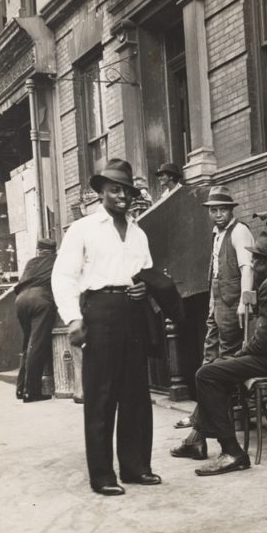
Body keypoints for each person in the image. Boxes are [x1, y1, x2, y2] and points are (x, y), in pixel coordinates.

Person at [51, 158, 162, 496]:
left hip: (132, 313)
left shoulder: (138, 232)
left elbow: (145, 271)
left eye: (126, 190)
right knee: (101, 396)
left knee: (135, 394)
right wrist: (73, 317)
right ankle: (102, 476)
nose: (122, 196)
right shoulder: (84, 229)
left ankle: (135, 467)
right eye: (114, 189)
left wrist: (144, 288)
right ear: (101, 192)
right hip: (99, 311)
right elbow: (63, 276)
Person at [178, 229, 267, 476]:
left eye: (255, 260)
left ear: (266, 263)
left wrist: (236, 355)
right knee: (218, 369)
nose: (252, 264)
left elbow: (261, 342)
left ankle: (231, 452)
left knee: (207, 374)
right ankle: (196, 440)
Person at [170, 185, 255, 450]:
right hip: (216, 305)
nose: (218, 214)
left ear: (231, 210)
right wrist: (210, 305)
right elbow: (215, 272)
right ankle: (199, 432)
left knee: (218, 368)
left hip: (232, 307)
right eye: (213, 210)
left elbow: (247, 267)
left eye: (222, 210)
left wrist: (245, 301)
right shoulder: (217, 234)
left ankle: (198, 434)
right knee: (208, 363)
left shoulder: (239, 231)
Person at [14, 237, 58, 402]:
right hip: (41, 299)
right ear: (53, 251)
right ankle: (31, 392)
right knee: (37, 345)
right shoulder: (56, 260)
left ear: (38, 250)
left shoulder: (31, 262)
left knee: (28, 344)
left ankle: (20, 389)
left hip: (21, 300)